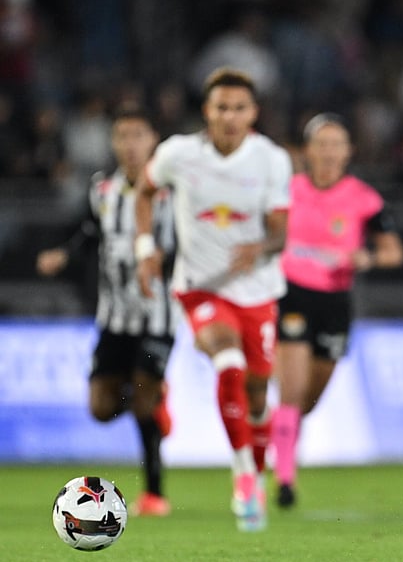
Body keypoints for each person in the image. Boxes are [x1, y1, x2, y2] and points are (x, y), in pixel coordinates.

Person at [135, 67, 292, 532]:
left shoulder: (270, 159)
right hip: (200, 286)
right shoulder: (178, 154)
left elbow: (280, 232)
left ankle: (256, 473)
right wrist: (146, 250)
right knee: (229, 362)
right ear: (207, 110)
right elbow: (145, 192)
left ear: (253, 113)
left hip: (258, 290)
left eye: (239, 108)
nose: (229, 116)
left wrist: (259, 247)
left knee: (259, 393)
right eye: (221, 107)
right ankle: (244, 474)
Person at [36, 105, 175, 517]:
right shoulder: (103, 190)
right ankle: (149, 392)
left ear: (153, 141)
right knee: (100, 408)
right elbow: (89, 231)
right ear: (114, 142)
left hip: (157, 318)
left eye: (138, 135)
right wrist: (64, 255)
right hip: (113, 318)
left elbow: (188, 242)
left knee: (145, 404)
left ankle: (154, 494)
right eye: (122, 136)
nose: (130, 145)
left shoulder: (171, 192)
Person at [271, 113, 403, 509]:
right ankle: (284, 480)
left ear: (348, 152)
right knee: (292, 393)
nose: (328, 152)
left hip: (334, 303)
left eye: (336, 145)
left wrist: (367, 258)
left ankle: (283, 435)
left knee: (308, 400)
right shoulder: (286, 191)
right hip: (290, 296)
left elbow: (394, 251)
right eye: (321, 144)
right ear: (307, 151)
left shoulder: (363, 198)